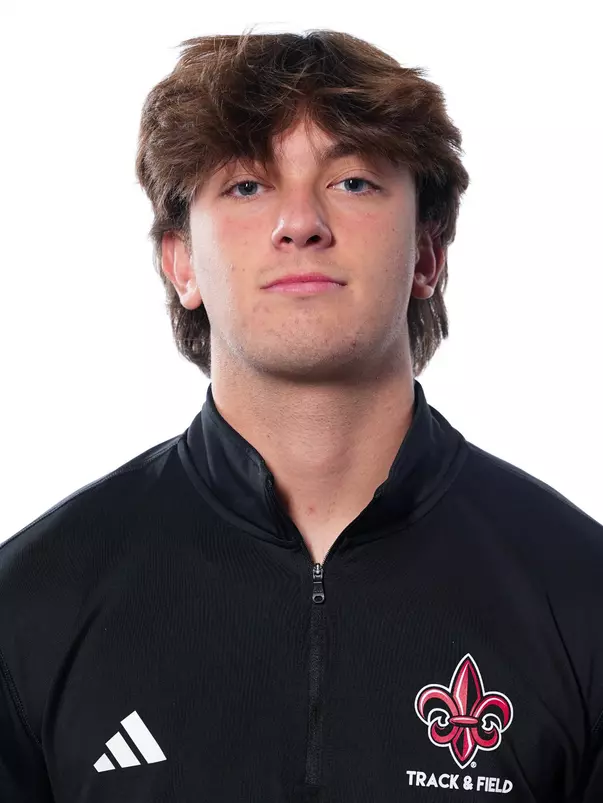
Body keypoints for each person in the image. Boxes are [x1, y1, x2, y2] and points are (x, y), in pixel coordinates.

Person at [1, 28, 602, 803]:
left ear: (427, 252)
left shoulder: (578, 596)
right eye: (246, 187)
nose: (300, 223)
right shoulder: (32, 606)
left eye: (351, 181)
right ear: (181, 261)